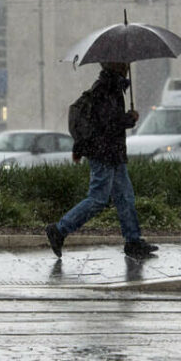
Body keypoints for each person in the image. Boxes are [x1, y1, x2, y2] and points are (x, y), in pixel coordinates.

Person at [45, 62, 158, 259]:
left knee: (125, 197)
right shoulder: (105, 88)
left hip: (113, 153)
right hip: (104, 153)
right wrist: (128, 119)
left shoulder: (113, 87)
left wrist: (125, 119)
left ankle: (133, 241)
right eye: (124, 63)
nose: (127, 66)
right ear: (116, 66)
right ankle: (59, 229)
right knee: (98, 198)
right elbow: (107, 124)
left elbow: (107, 122)